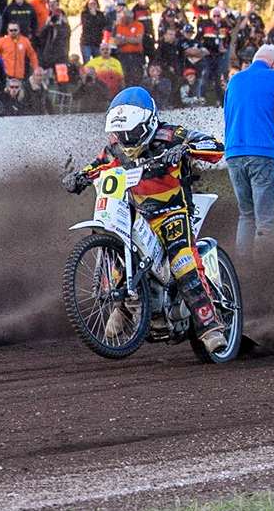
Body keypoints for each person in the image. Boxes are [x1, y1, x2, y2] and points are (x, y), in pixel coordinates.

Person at [62, 87, 232, 356]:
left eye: (133, 133)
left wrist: (185, 150)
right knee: (118, 252)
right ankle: (124, 307)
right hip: (137, 213)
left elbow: (216, 147)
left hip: (173, 212)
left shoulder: (171, 135)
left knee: (183, 262)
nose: (127, 139)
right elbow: (98, 165)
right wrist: (79, 177)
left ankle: (210, 327)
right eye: (123, 134)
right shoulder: (116, 146)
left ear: (149, 122)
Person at [221, 43, 274, 249]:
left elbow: (227, 116)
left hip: (234, 154)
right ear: (273, 64)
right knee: (265, 221)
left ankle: (241, 269)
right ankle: (263, 271)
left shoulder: (234, 80)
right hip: (262, 153)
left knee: (246, 215)